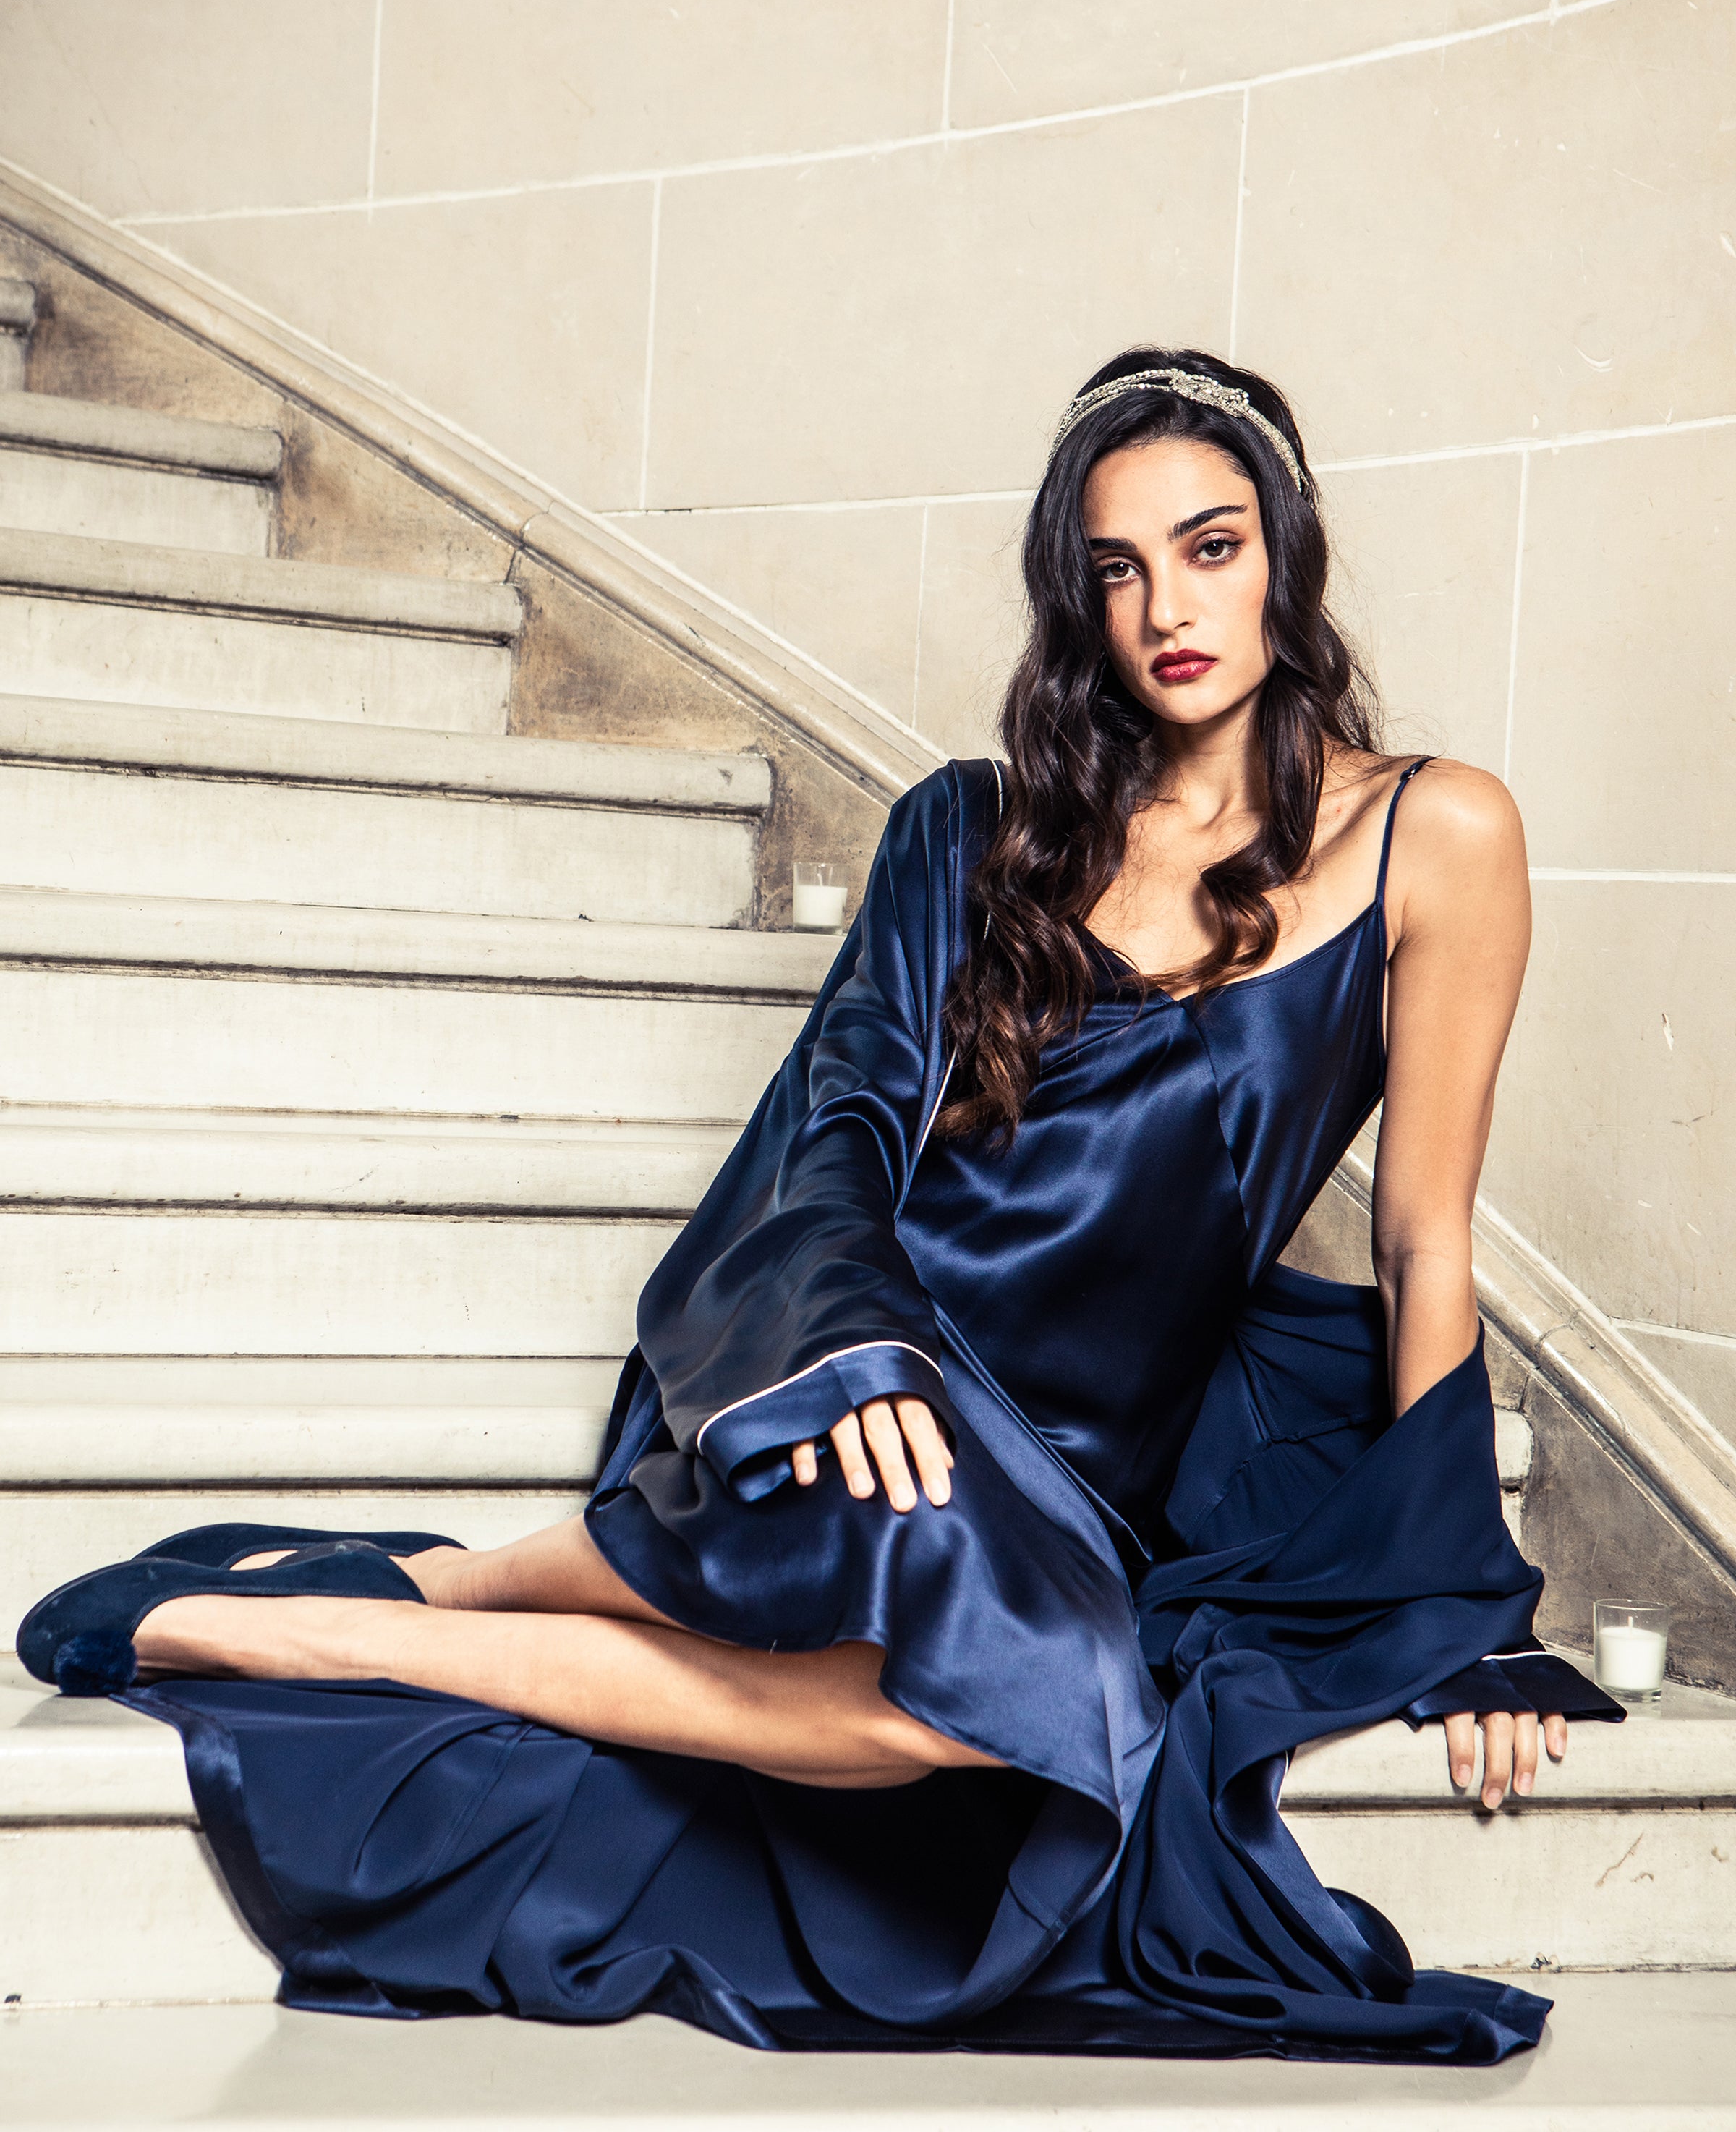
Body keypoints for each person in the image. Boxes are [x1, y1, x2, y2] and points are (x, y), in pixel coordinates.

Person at [20, 348, 1620, 2062]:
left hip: (1090, 1455)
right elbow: (846, 1118)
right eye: (1117, 568)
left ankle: (403, 1616)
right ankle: (414, 1605)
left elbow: (1418, 1234)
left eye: (1211, 547)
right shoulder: (979, 829)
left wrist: (1464, 1602)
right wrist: (854, 1342)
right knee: (1009, 1665)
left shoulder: (1436, 836)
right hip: (870, 1355)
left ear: (1288, 552)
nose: (1167, 605)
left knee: (1022, 1702)